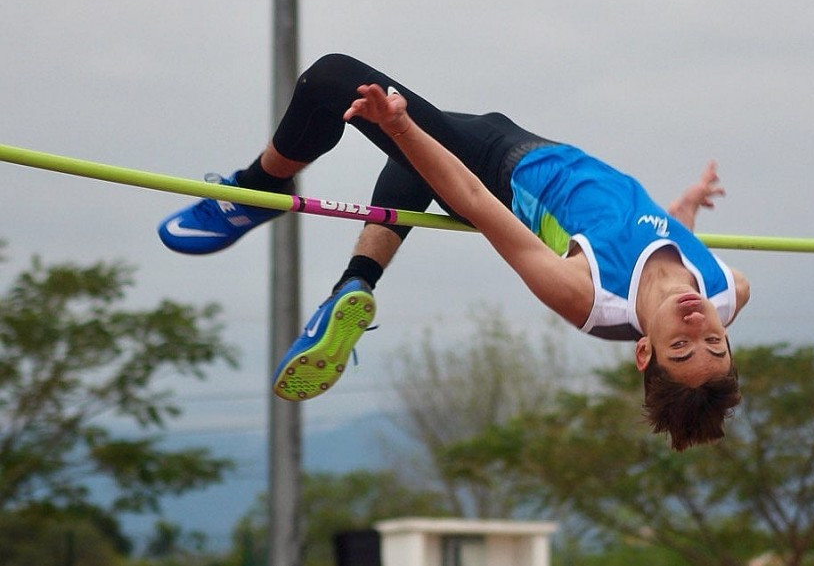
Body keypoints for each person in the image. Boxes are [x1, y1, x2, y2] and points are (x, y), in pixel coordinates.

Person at [158, 53, 750, 451]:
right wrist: (688, 206)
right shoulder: (728, 289)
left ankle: (258, 188)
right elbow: (663, 240)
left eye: (680, 345)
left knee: (331, 78)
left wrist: (401, 126)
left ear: (644, 351)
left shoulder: (588, 296)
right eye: (713, 341)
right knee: (406, 162)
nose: (698, 322)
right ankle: (353, 285)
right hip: (524, 145)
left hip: (495, 167)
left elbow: (468, 195)